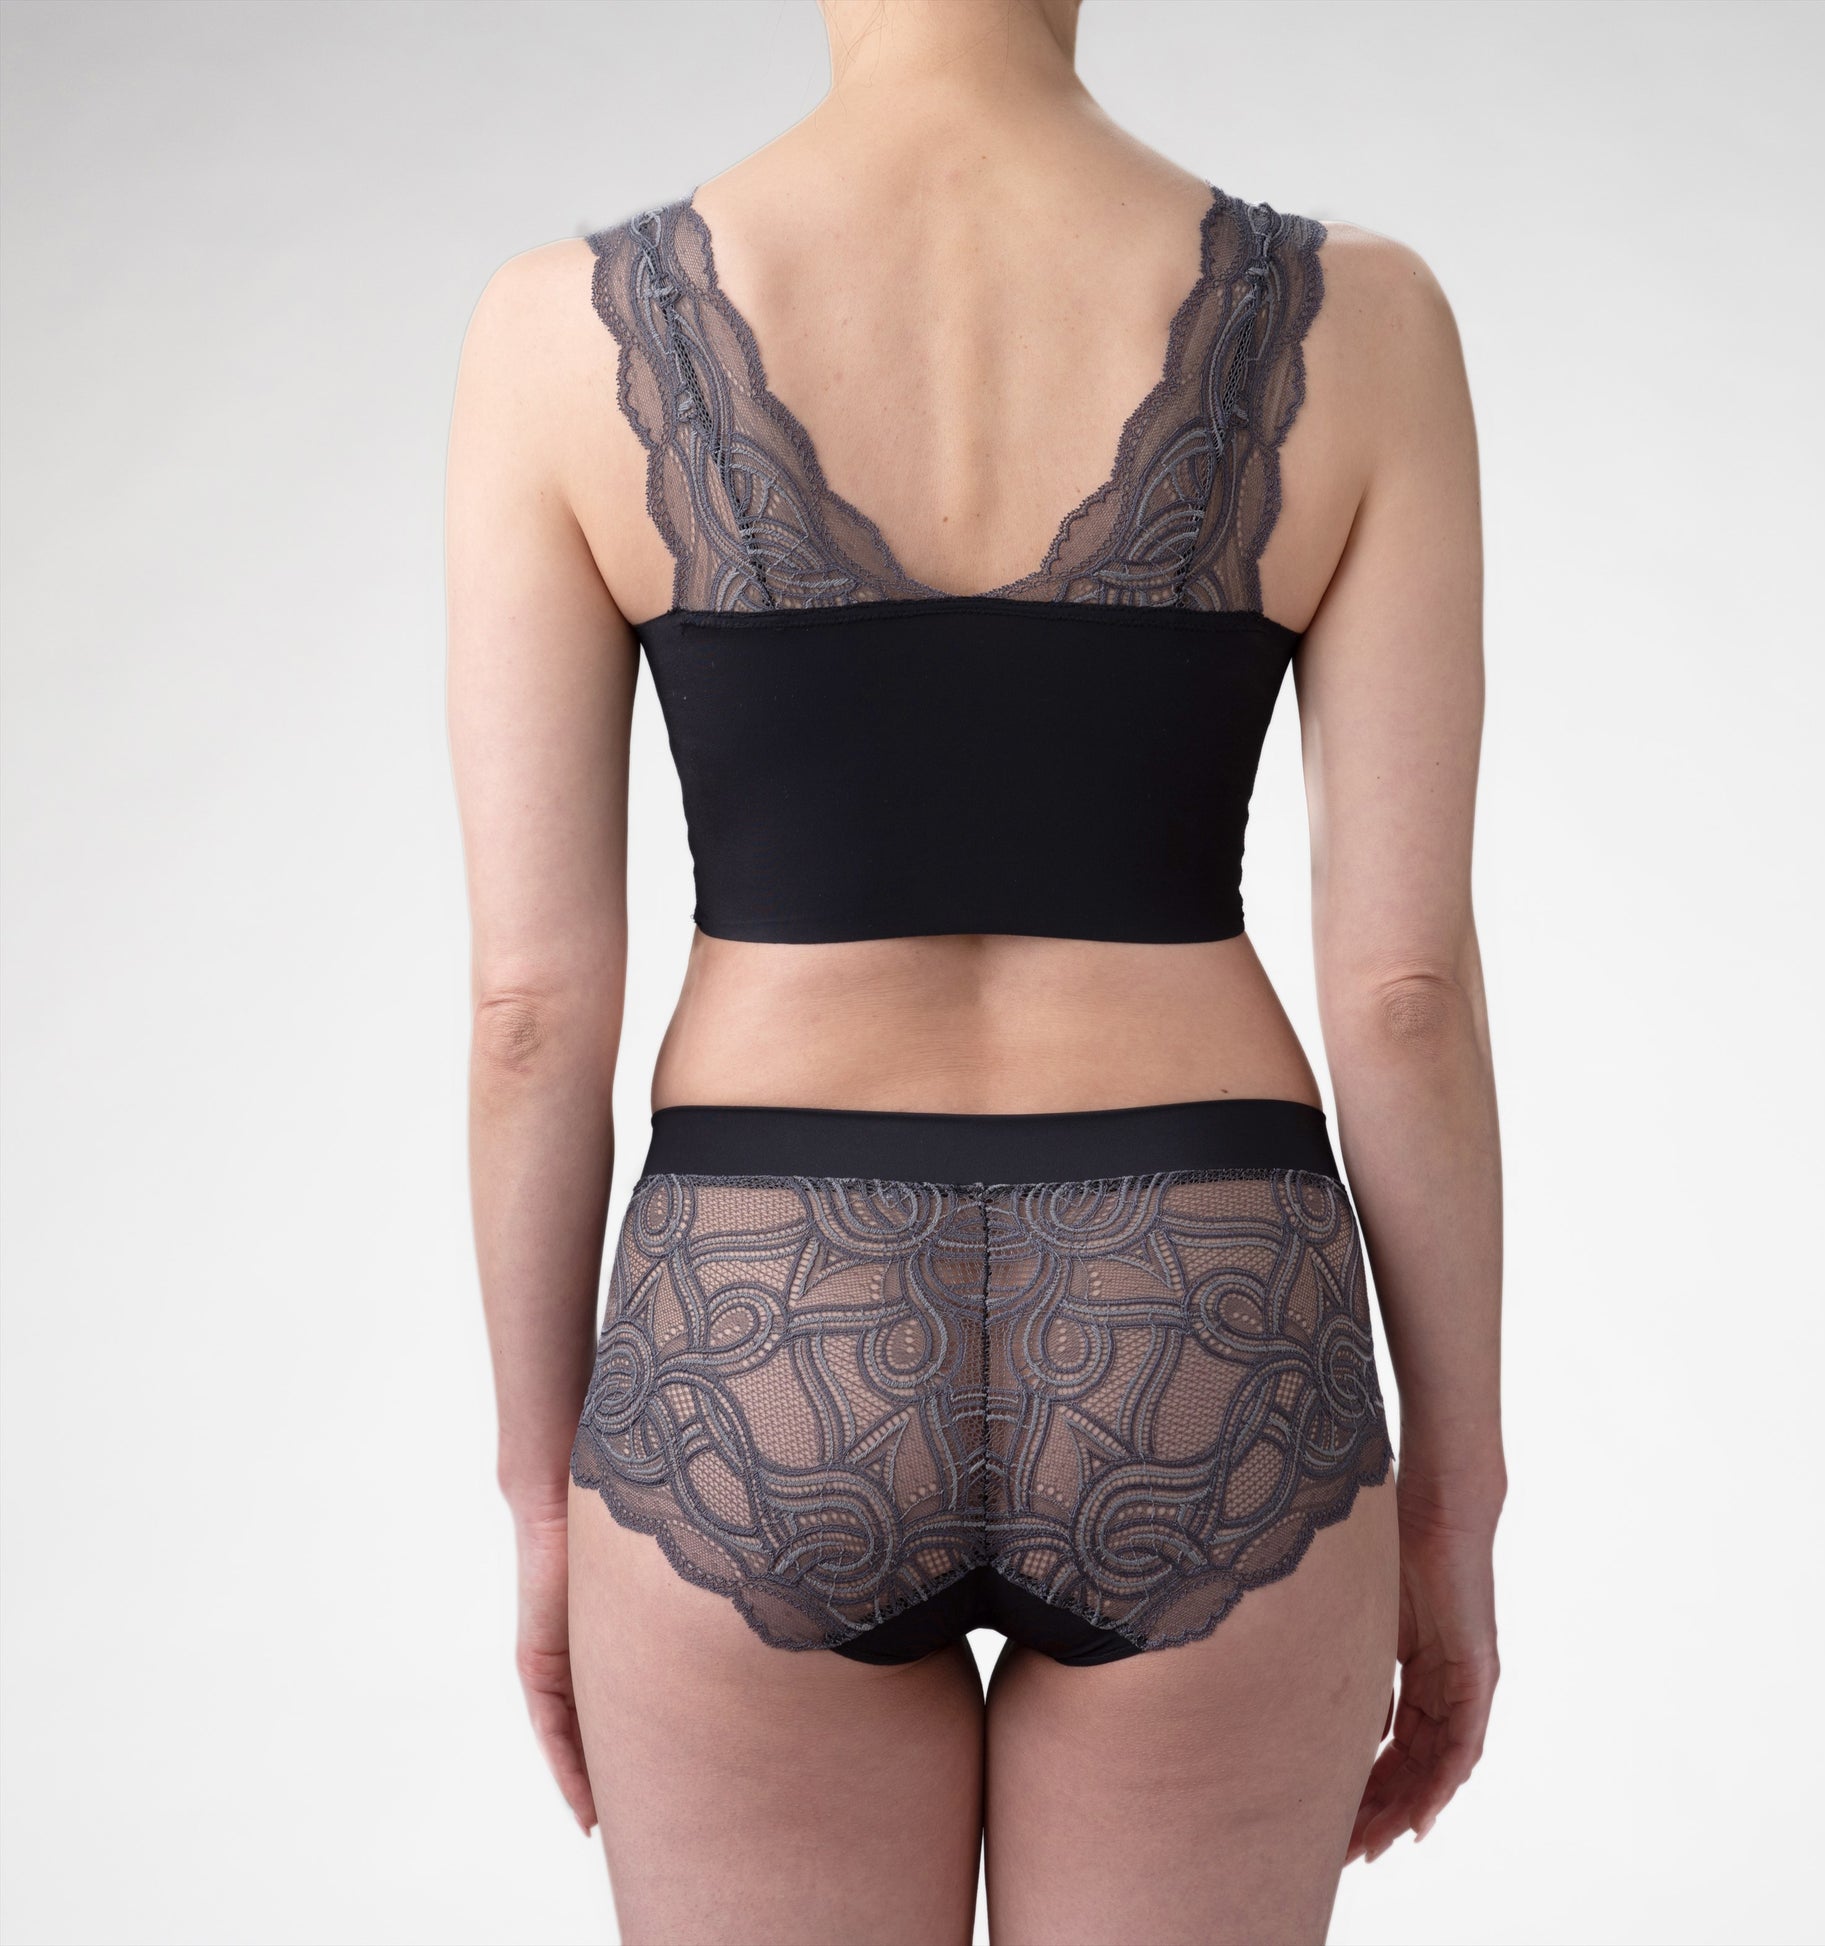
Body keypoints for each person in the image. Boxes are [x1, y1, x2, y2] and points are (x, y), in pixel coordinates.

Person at [444, 1, 1503, 1938]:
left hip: (760, 1330)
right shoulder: (1364, 322)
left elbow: (530, 1019)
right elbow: (1402, 994)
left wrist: (538, 1496)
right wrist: (1454, 1500)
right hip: (1204, 1324)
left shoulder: (557, 334)